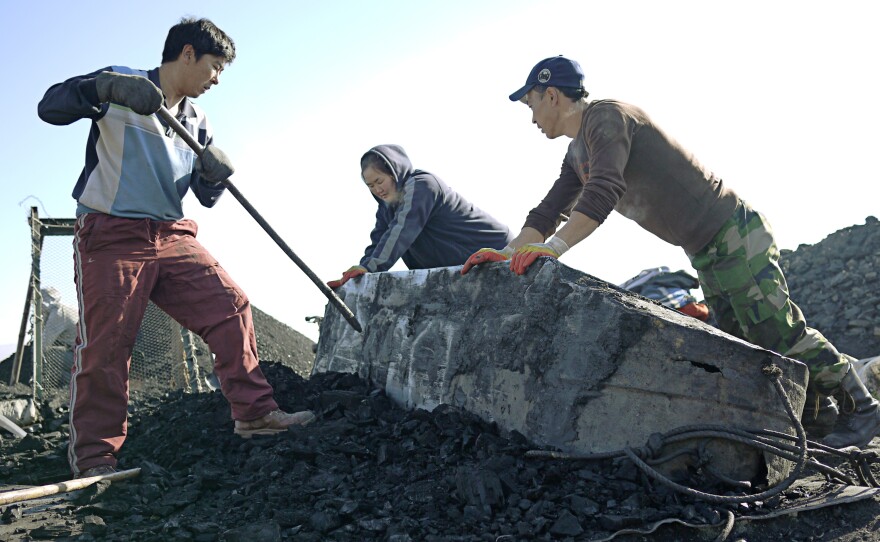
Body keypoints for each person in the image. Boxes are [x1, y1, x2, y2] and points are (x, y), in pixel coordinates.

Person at [460, 55, 880, 449]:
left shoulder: (606, 116)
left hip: (732, 232)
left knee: (773, 328)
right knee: (745, 342)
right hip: (705, 248)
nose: (531, 117)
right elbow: (549, 209)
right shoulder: (577, 153)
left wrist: (551, 250)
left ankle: (863, 406)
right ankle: (819, 415)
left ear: (551, 95)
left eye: (531, 104)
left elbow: (605, 189)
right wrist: (508, 252)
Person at [37, 17, 315, 479]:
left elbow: (204, 196)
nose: (217, 80)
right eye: (214, 67)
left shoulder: (196, 121)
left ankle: (254, 414)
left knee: (230, 305)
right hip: (112, 234)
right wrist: (104, 88)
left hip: (171, 234)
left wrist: (214, 173)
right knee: (107, 348)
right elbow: (50, 106)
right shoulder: (123, 85)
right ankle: (94, 459)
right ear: (187, 53)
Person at [326, 144, 514, 288]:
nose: (377, 189)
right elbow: (379, 243)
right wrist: (360, 273)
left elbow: (401, 230)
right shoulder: (386, 208)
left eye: (379, 181)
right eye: (370, 186)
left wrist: (370, 268)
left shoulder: (422, 186)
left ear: (394, 172)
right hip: (460, 269)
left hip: (497, 251)